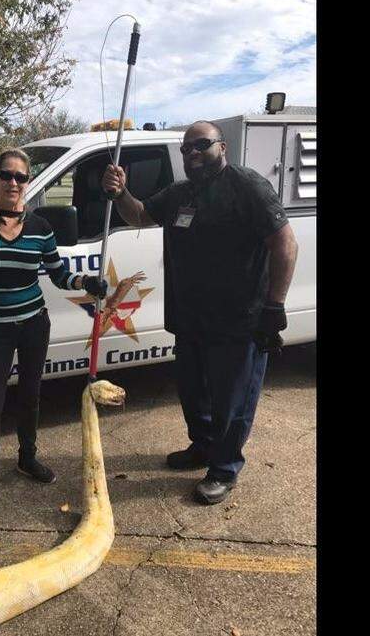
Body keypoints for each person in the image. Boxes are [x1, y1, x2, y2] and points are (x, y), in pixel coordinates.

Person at [101, 120, 299, 504]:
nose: (192, 152)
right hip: (190, 319)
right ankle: (204, 447)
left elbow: (285, 244)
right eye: (186, 148)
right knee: (194, 395)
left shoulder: (248, 186)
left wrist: (274, 306)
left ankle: (224, 469)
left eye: (201, 145)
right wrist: (121, 192)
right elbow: (139, 215)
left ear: (222, 147)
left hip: (238, 321)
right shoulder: (180, 193)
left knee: (232, 402)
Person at [0, 148, 108, 523]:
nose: (13, 182)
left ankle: (27, 458)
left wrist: (87, 282)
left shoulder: (40, 228)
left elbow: (59, 274)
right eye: (6, 174)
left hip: (35, 324)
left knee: (31, 396)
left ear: (28, 182)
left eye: (20, 177)